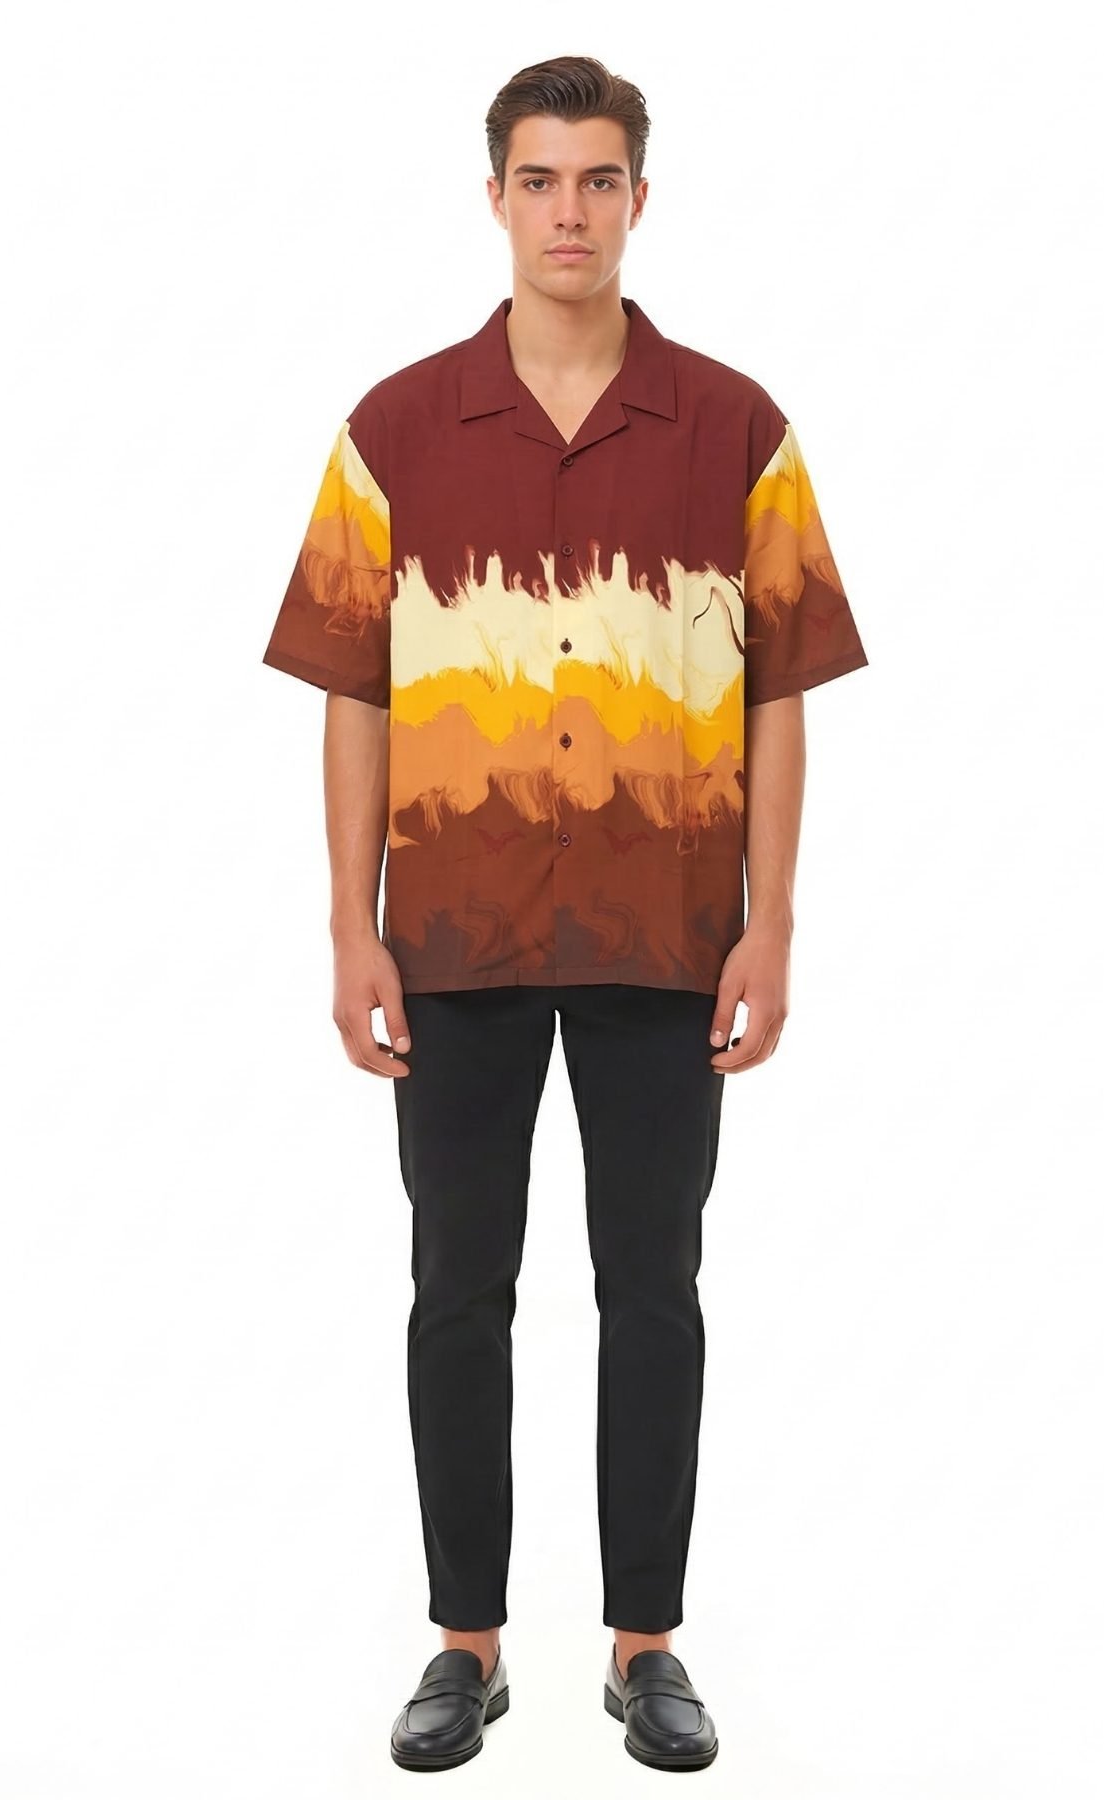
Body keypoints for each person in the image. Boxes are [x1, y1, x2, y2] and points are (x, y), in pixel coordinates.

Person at [260, 53, 868, 1775]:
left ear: (640, 200)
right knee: (456, 1287)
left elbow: (780, 696)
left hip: (665, 931)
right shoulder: (394, 429)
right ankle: (466, 1641)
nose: (571, 212)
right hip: (452, 933)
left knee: (652, 1288)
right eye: (541, 179)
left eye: (600, 179)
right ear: (496, 199)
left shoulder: (737, 429)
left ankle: (645, 1641)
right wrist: (349, 926)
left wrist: (773, 924)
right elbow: (355, 692)